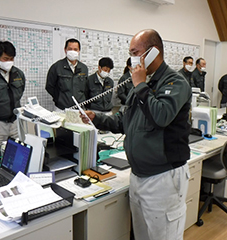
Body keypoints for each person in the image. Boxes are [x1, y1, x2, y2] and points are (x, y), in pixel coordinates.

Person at [80, 29, 191, 240]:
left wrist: (139, 84)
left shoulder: (175, 82)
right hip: (138, 175)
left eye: (135, 52)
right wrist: (96, 117)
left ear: (152, 52)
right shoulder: (142, 83)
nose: (131, 59)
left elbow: (161, 116)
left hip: (164, 177)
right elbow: (124, 121)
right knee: (142, 235)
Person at [45, 38, 88, 110]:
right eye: (70, 49)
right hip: (61, 108)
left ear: (79, 51)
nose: (72, 51)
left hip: (79, 108)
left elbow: (85, 88)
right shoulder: (57, 66)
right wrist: (59, 99)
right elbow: (49, 86)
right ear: (65, 50)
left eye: (75, 49)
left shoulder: (84, 68)